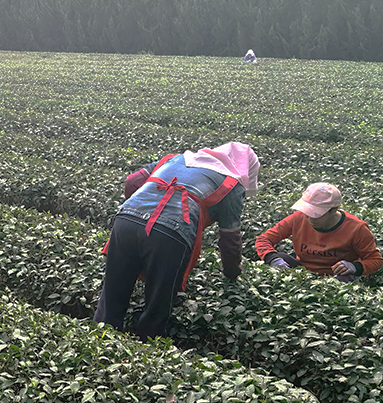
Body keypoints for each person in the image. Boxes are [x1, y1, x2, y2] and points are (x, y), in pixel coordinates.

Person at [94, 142, 260, 340]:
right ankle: (142, 352)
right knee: (157, 304)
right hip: (170, 233)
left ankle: (100, 344)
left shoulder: (176, 158)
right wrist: (232, 272)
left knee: (112, 296)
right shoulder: (232, 184)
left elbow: (131, 182)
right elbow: (230, 237)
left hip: (126, 220)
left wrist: (140, 211)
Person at [255, 182, 383, 282]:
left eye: (315, 214)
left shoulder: (356, 228)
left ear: (333, 210)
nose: (309, 218)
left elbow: (375, 260)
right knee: (281, 257)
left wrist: (354, 266)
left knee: (345, 279)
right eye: (307, 212)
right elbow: (263, 239)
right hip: (303, 269)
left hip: (337, 276)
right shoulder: (298, 218)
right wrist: (272, 258)